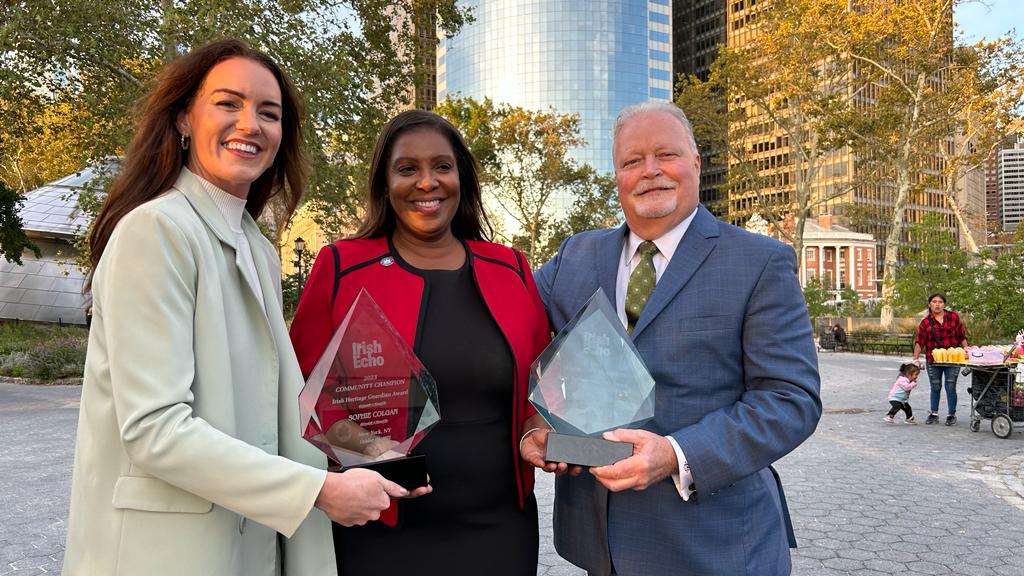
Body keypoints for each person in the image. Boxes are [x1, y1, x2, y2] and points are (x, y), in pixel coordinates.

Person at [62, 39, 419, 576]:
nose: (250, 124)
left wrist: (366, 445)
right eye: (228, 103)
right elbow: (154, 429)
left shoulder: (253, 243)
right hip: (165, 552)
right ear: (184, 118)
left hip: (247, 540)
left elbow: (271, 410)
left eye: (269, 113)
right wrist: (319, 490)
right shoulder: (156, 230)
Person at [523, 101, 822, 576]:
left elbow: (790, 399)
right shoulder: (574, 257)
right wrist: (530, 423)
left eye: (666, 154)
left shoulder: (759, 262)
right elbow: (508, 333)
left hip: (717, 545)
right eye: (631, 161)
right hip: (600, 544)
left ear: (696, 163)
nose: (651, 171)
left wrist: (676, 455)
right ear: (616, 175)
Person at [289, 109, 552, 576]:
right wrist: (366, 447)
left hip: (499, 529)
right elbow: (300, 395)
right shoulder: (340, 267)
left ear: (461, 179)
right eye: (407, 168)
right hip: (382, 526)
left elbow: (539, 389)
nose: (427, 182)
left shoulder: (511, 267)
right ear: (384, 183)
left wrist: (536, 431)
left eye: (442, 167)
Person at [912, 292, 968, 426]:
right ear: (930, 304)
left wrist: (967, 350)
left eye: (940, 302)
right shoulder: (925, 322)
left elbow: (961, 336)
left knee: (950, 386)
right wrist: (915, 358)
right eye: (934, 302)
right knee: (935, 386)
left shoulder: (953, 317)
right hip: (934, 360)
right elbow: (920, 341)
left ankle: (951, 414)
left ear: (944, 304)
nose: (937, 304)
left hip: (953, 359)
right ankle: (934, 413)